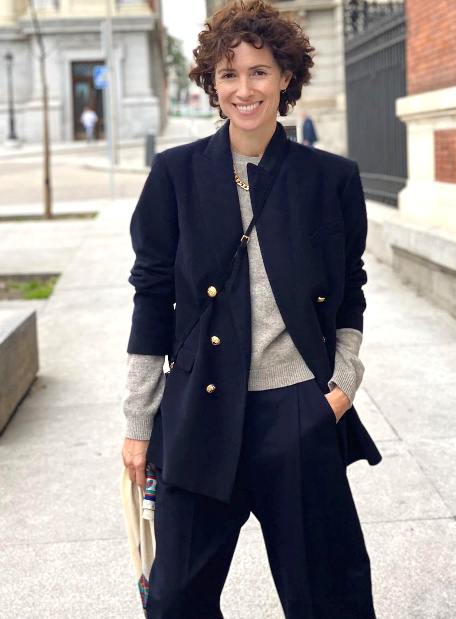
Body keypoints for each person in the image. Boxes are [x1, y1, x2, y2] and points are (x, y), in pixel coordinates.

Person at [122, 1, 382, 617]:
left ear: (286, 77)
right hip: (199, 412)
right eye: (230, 73)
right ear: (212, 84)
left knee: (329, 598)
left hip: (297, 413)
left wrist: (342, 384)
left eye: (260, 71)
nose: (245, 89)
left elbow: (350, 287)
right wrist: (138, 421)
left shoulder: (331, 179)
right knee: (175, 600)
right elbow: (151, 296)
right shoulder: (175, 175)